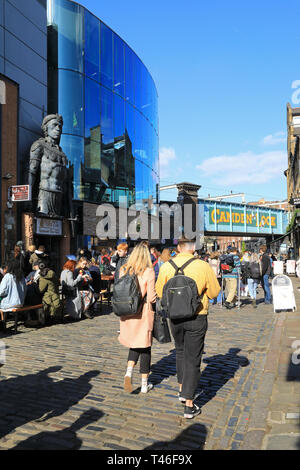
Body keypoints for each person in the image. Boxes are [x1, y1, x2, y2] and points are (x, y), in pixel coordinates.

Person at [155, 237, 220, 419]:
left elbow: (160, 292)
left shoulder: (167, 266)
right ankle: (189, 404)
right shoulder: (203, 266)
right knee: (193, 357)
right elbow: (215, 292)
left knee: (180, 352)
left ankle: (182, 389)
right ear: (193, 249)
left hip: (175, 316)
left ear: (178, 248)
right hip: (197, 315)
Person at [118, 242, 156, 394]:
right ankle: (145, 384)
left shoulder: (124, 269)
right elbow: (152, 297)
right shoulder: (148, 271)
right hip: (143, 312)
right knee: (145, 347)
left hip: (127, 312)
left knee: (134, 344)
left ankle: (128, 372)